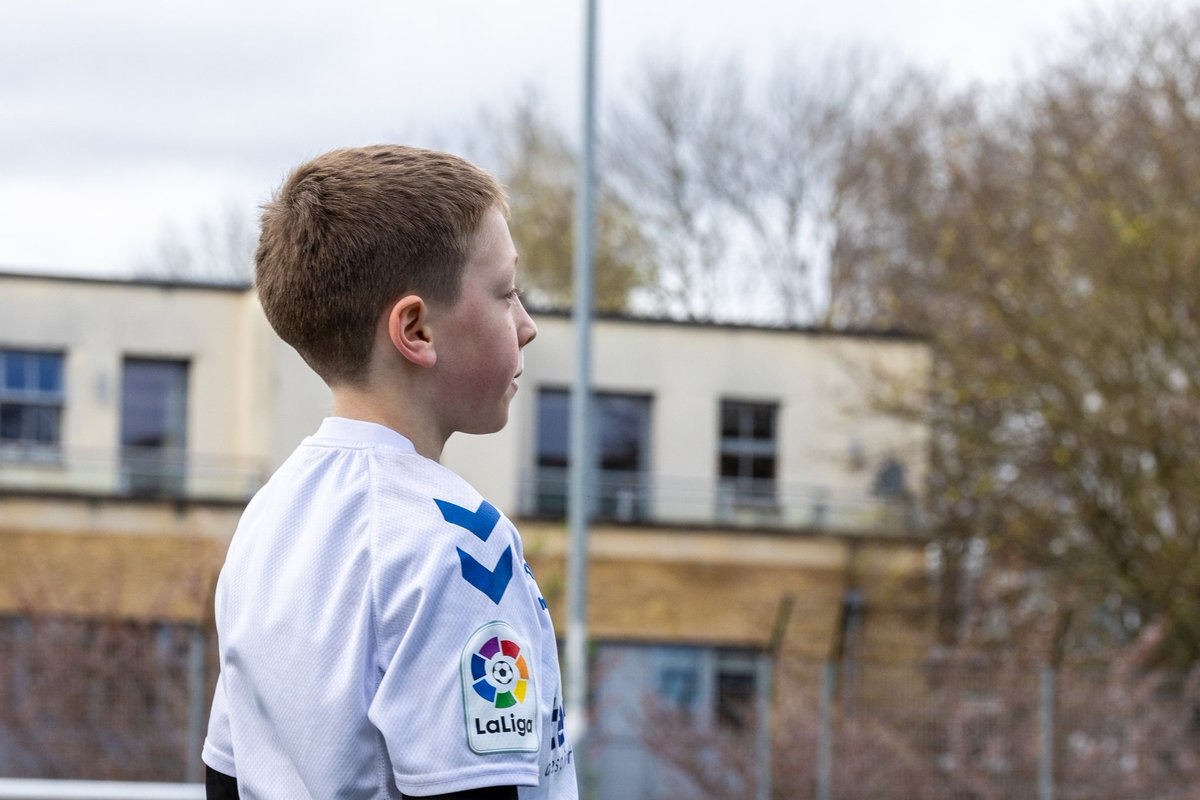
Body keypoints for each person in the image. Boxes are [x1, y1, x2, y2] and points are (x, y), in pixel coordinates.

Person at [202, 145, 577, 799]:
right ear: (416, 330)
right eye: (506, 293)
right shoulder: (459, 548)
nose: (527, 326)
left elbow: (227, 777)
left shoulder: (267, 518)